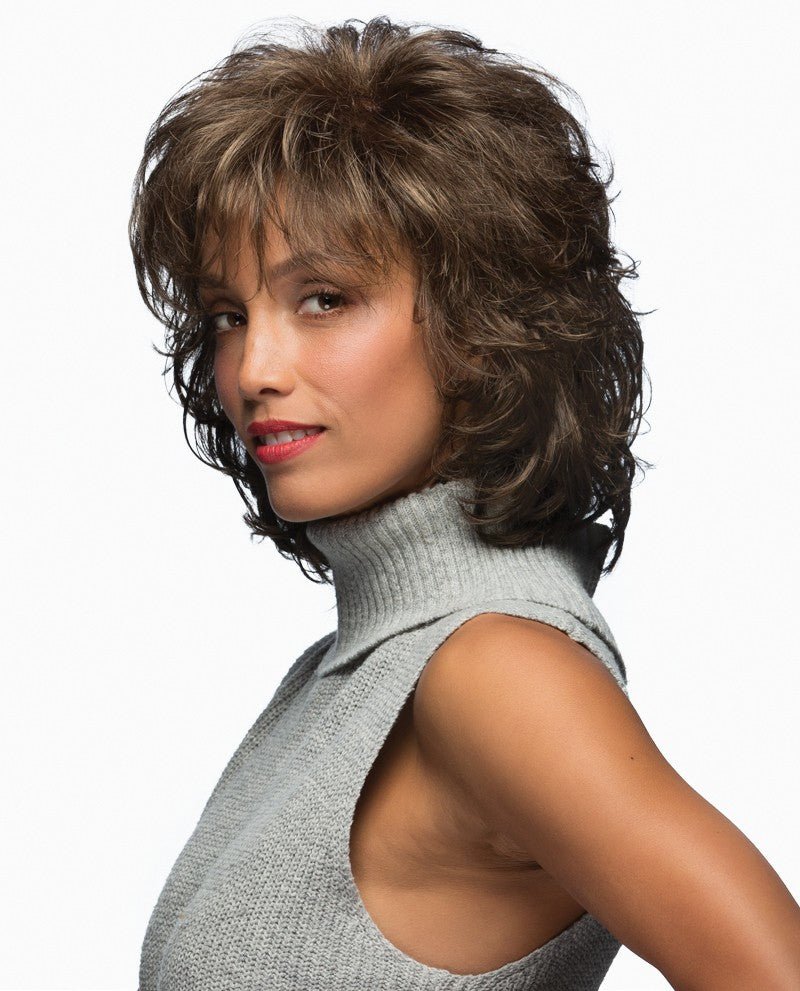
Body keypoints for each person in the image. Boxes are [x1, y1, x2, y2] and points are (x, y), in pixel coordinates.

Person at [127, 16, 800, 991]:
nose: (254, 368)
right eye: (229, 314)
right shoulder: (356, 671)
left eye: (323, 298)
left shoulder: (494, 672)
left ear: (481, 321)